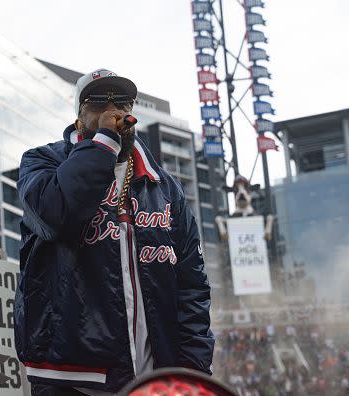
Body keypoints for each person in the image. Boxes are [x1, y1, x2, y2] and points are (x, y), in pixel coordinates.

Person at [15, 69, 214, 395]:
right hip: (72, 379)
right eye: (97, 103)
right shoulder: (41, 163)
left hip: (154, 379)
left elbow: (192, 286)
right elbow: (57, 215)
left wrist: (192, 370)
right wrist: (104, 143)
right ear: (79, 118)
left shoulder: (163, 188)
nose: (113, 111)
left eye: (122, 102)